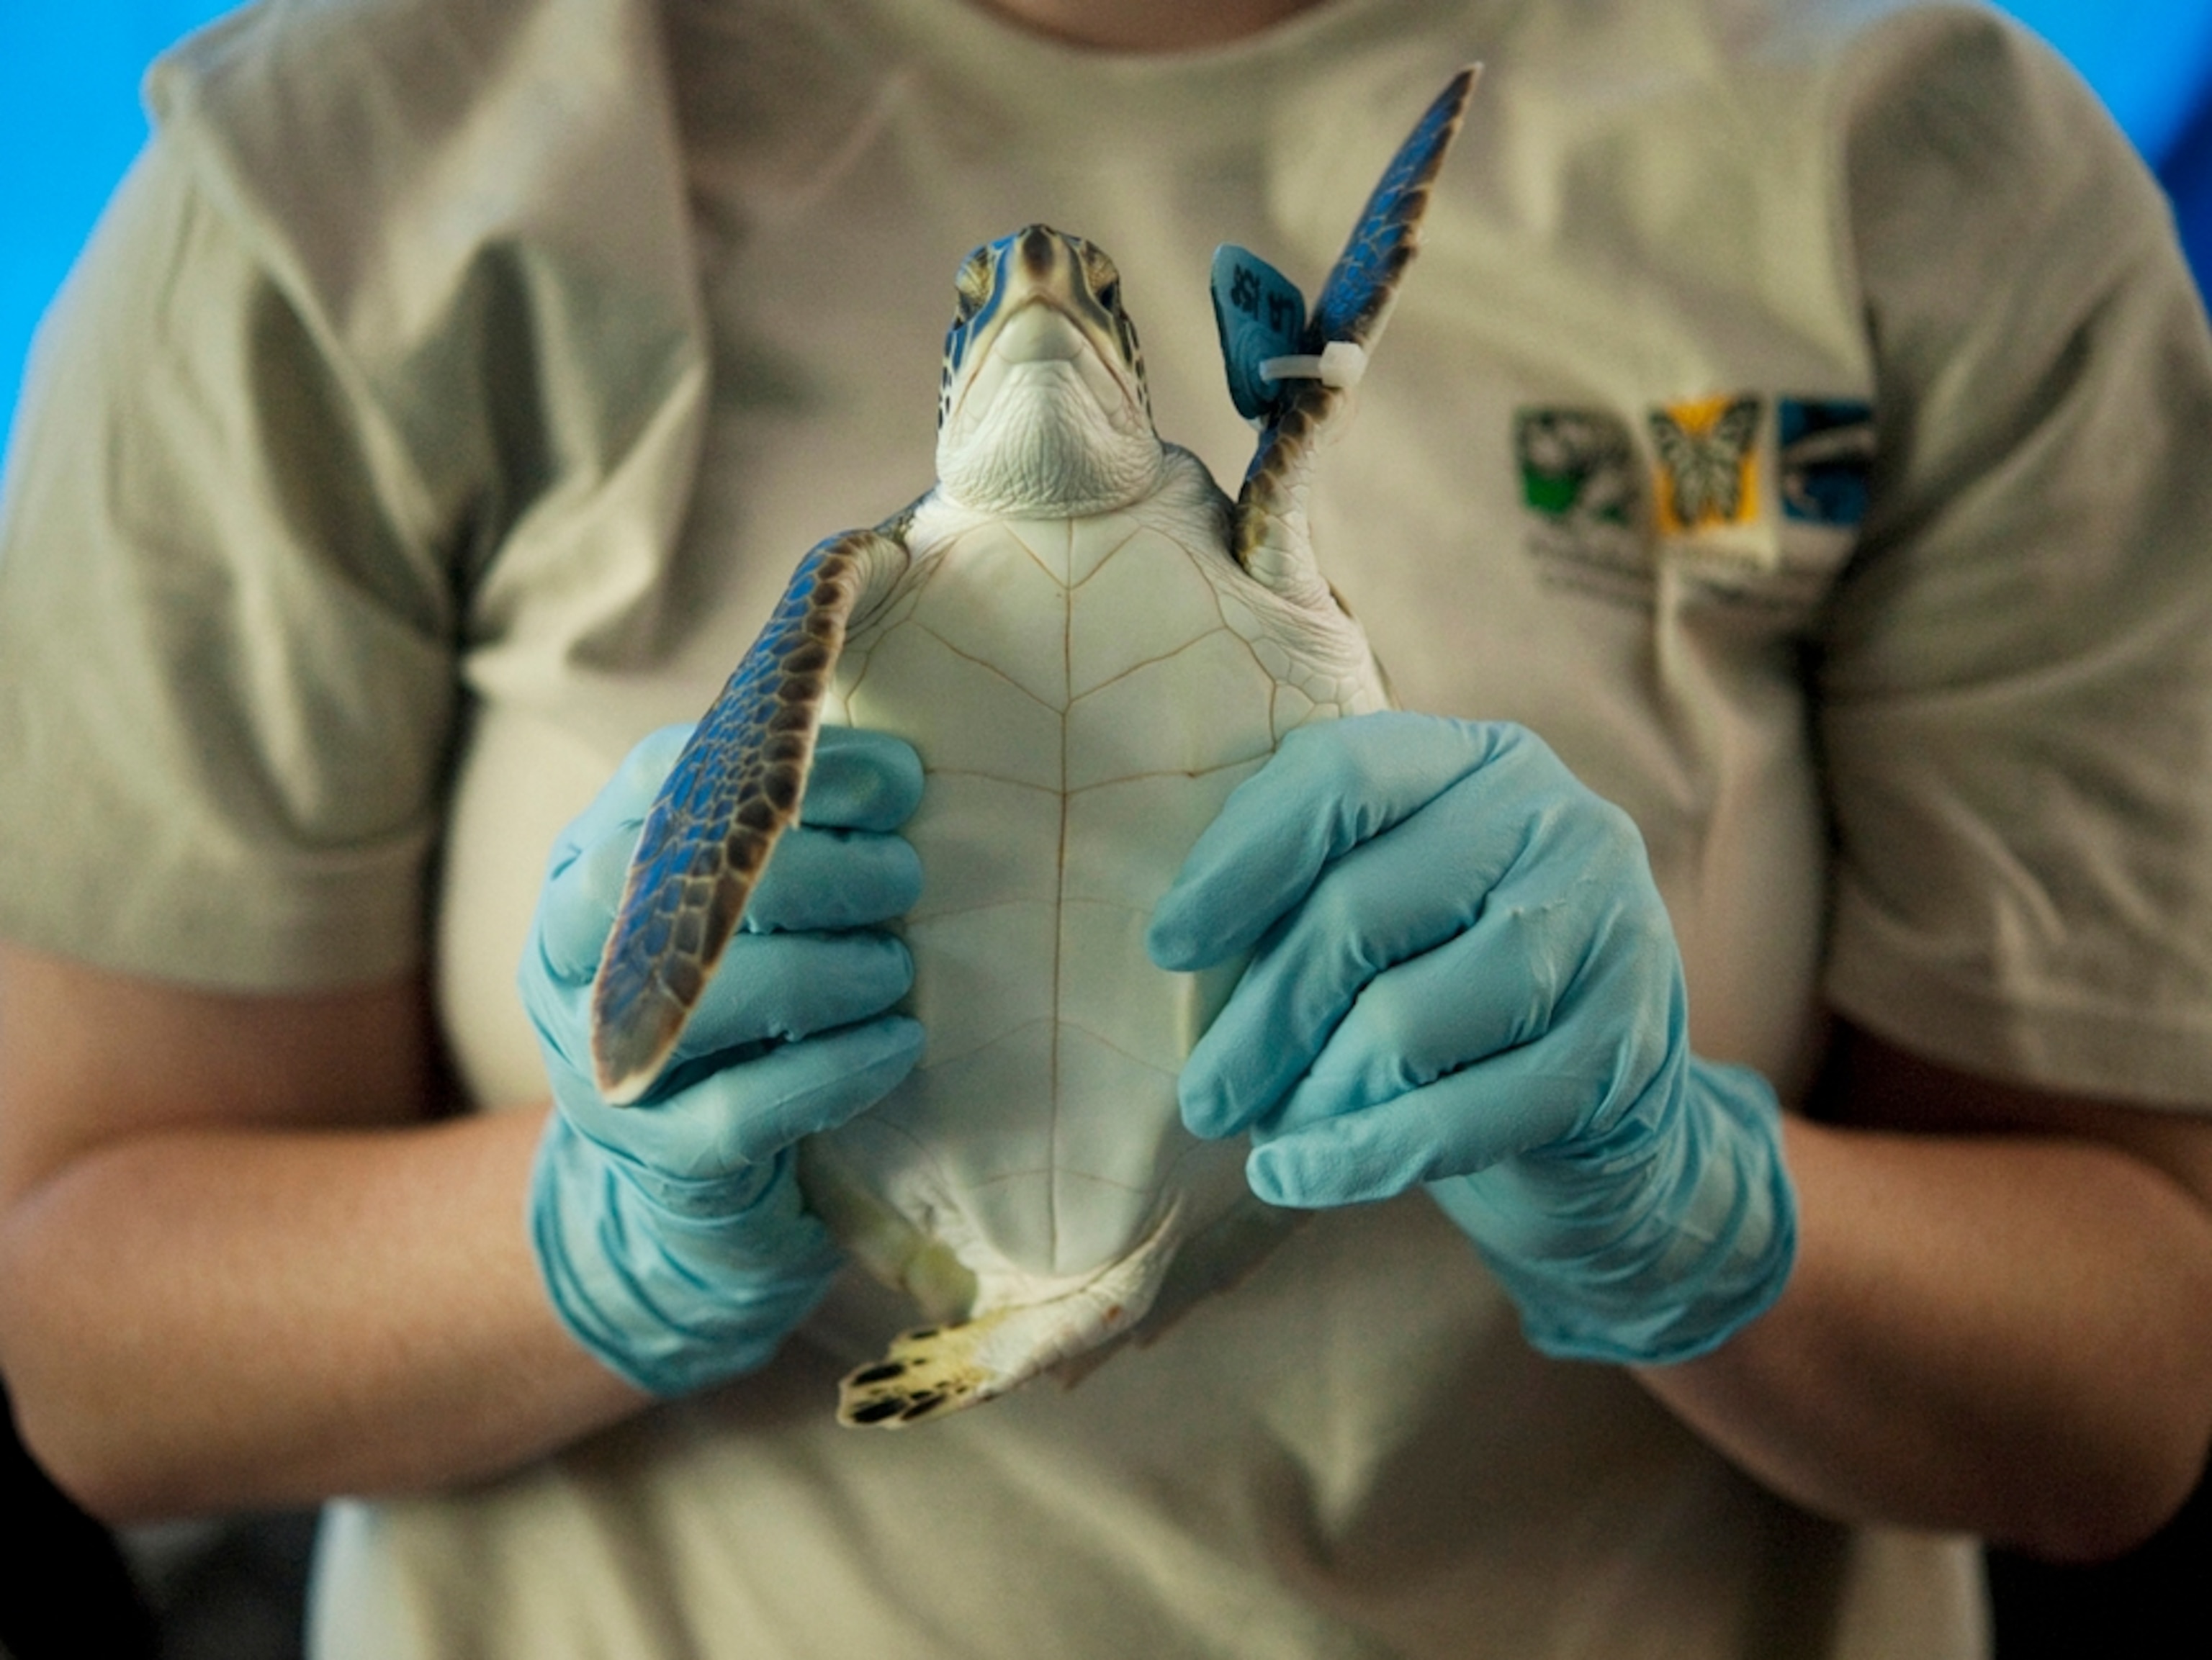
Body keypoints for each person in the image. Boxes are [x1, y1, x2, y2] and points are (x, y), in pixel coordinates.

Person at [1, 0, 2208, 1654]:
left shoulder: (1897, 145)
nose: (1044, 307)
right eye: (997, 300)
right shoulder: (367, 162)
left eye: (1089, 300)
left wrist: (1690, 1201)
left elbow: (2135, 1385)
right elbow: (82, 1331)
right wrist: (602, 1241)